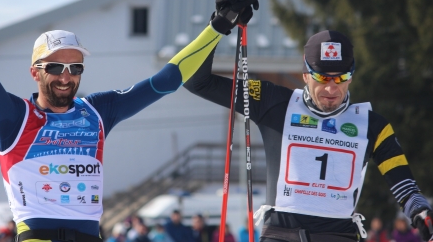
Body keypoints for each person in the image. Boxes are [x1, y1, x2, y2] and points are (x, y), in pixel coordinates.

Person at [0, 0, 264, 242]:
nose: (66, 77)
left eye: (75, 68)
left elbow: (167, 80)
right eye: (55, 68)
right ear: (35, 72)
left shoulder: (97, 111)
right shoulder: (14, 116)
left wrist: (219, 24)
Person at [184, 29, 433, 241]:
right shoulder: (272, 101)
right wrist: (219, 24)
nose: (331, 88)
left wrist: (420, 211)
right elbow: (196, 81)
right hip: (281, 235)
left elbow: (404, 185)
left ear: (351, 77)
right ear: (305, 75)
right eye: (322, 77)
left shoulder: (372, 124)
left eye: (341, 78)